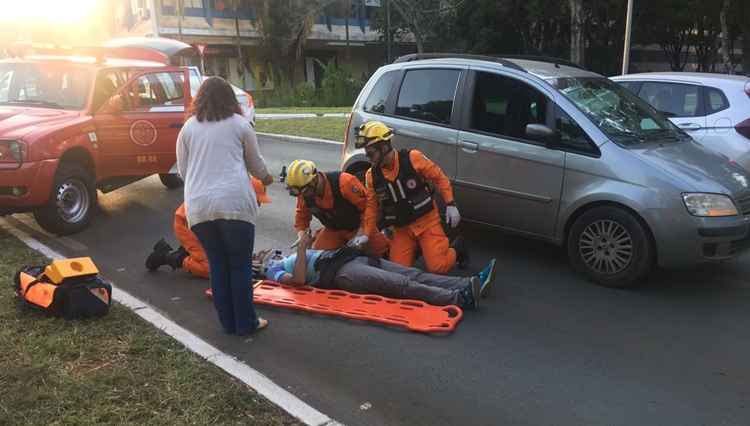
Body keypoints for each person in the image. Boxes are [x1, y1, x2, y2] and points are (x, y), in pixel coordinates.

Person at [176, 76, 273, 336]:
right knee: (239, 265)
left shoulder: (188, 128)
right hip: (234, 204)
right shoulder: (240, 125)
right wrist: (266, 178)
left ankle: (228, 323)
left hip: (199, 207)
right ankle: (246, 323)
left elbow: (184, 171)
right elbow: (255, 164)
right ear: (230, 98)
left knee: (218, 265)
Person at [263, 230, 497, 310]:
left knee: (411, 274)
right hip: (342, 274)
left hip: (348, 259)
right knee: (401, 284)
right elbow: (299, 280)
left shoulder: (287, 256)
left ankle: (468, 283)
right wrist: (304, 249)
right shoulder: (273, 270)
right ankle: (458, 298)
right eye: (259, 255)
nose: (265, 253)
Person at [355, 121, 467, 274]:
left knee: (438, 267)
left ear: (383, 147)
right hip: (401, 229)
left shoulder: (413, 158)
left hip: (426, 221)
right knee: (397, 273)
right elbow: (371, 207)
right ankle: (419, 249)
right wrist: (366, 234)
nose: (368, 158)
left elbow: (440, 177)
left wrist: (450, 203)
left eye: (370, 153)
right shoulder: (371, 176)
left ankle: (458, 248)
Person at [145, 177, 271, 278]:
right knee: (211, 269)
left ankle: (192, 252)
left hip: (200, 225)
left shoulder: (232, 201)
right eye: (256, 200)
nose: (259, 205)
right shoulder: (226, 206)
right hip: (187, 225)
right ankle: (168, 256)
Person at [285, 159, 389, 257]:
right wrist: (302, 235)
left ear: (314, 180)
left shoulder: (344, 182)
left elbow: (369, 208)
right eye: (298, 193)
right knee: (317, 258)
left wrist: (362, 233)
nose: (302, 196)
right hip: (333, 230)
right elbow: (301, 217)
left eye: (304, 191)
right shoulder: (304, 194)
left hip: (358, 226)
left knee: (379, 251)